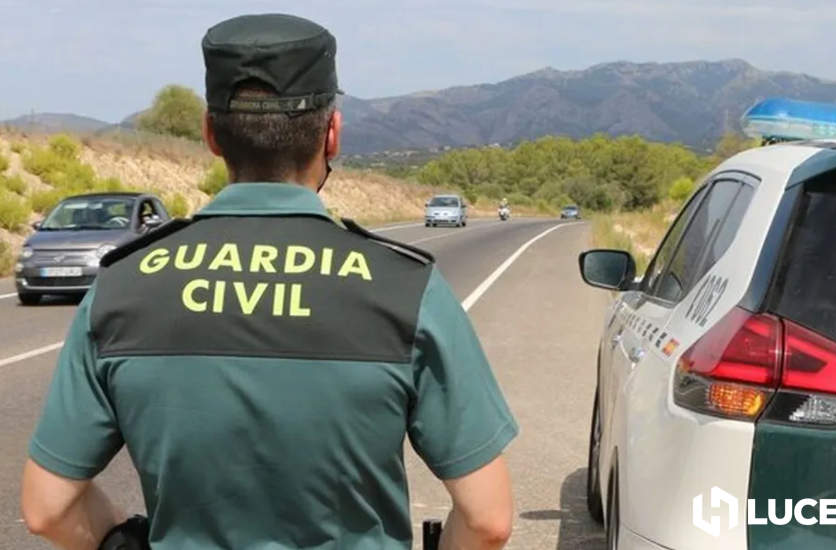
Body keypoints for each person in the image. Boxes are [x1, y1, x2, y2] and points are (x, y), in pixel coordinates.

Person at [21, 13, 517, 550]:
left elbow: (49, 508)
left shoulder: (121, 288)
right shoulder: (406, 289)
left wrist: (126, 541)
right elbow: (488, 520)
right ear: (332, 135)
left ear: (211, 134)